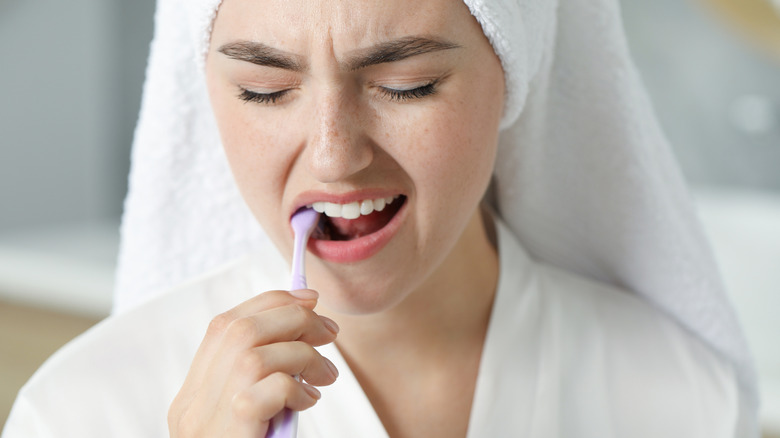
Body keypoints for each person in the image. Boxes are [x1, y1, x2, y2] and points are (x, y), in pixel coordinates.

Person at [2, 0, 760, 436]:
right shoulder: (81, 412)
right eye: (265, 89)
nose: (334, 158)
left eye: (408, 84)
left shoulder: (680, 400)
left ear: (514, 75)